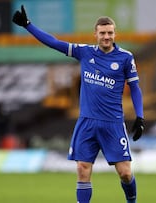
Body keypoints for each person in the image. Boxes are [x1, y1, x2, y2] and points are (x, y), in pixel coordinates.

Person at [13, 5, 145, 203]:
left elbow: (135, 88)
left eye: (110, 33)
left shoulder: (125, 58)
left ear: (115, 33)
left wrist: (140, 116)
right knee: (82, 169)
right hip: (87, 123)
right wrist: (28, 25)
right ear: (95, 34)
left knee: (125, 173)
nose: (106, 37)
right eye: (102, 33)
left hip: (113, 124)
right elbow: (54, 43)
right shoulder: (84, 52)